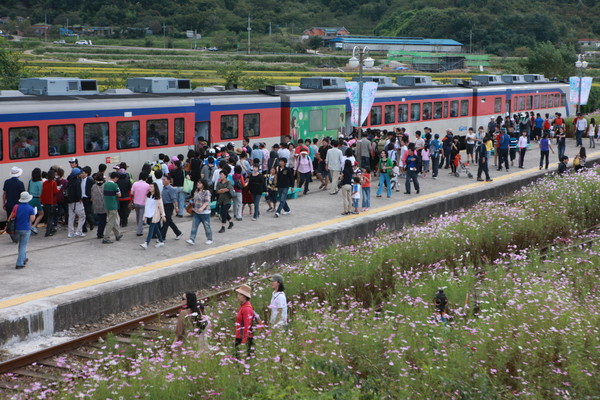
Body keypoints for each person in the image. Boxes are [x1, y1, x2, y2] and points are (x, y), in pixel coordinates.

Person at [11, 192, 35, 269]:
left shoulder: (16, 207)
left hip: (17, 228)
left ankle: (24, 258)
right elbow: (32, 219)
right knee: (23, 246)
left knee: (20, 245)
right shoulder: (30, 208)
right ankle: (19, 263)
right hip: (26, 228)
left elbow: (12, 216)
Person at [140, 182, 166, 249]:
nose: (150, 188)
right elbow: (146, 206)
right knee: (156, 228)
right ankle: (161, 241)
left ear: (155, 188)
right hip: (149, 214)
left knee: (151, 229)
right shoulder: (148, 195)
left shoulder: (158, 197)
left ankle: (146, 243)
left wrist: (163, 215)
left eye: (151, 187)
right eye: (149, 186)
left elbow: (161, 206)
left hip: (155, 215)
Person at [187, 179, 213, 245]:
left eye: (200, 183)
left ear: (203, 185)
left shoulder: (206, 192)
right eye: (198, 182)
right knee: (194, 226)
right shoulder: (196, 191)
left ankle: (209, 239)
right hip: (196, 212)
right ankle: (192, 239)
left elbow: (207, 202)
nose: (198, 184)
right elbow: (194, 200)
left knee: (207, 226)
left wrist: (202, 208)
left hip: (205, 213)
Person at [3, 166, 25, 242]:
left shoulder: (6, 182)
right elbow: (22, 196)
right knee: (18, 221)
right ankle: (17, 236)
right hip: (17, 206)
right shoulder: (20, 183)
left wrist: (4, 203)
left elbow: (4, 194)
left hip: (9, 205)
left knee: (10, 221)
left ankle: (12, 236)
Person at [234, 284, 255, 358]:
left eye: (239, 294)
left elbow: (247, 325)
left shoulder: (246, 309)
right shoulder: (243, 307)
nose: (238, 296)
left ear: (244, 296)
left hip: (243, 337)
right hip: (240, 336)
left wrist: (243, 341)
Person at [160, 175, 183, 240]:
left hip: (169, 206)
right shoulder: (163, 188)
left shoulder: (171, 189)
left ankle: (162, 237)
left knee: (166, 222)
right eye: (162, 179)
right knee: (169, 221)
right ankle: (178, 233)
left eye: (164, 180)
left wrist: (176, 207)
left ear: (168, 180)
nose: (163, 181)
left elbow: (174, 199)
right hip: (164, 206)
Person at [102, 172, 123, 244]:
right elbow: (119, 195)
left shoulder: (105, 184)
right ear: (115, 178)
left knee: (112, 221)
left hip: (107, 205)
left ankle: (117, 234)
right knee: (110, 222)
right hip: (113, 205)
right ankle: (106, 237)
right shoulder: (115, 185)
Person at [65, 168, 86, 238]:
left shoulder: (69, 181)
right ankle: (79, 231)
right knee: (82, 216)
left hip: (69, 202)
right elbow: (78, 192)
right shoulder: (77, 182)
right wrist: (80, 199)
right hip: (76, 202)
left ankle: (70, 233)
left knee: (71, 217)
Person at [40, 169, 60, 237]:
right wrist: (58, 189)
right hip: (51, 202)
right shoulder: (53, 183)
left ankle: (49, 229)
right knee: (50, 217)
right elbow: (55, 192)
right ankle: (48, 231)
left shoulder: (44, 183)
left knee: (48, 216)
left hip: (45, 202)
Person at [130, 172, 149, 237]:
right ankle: (139, 231)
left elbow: (132, 193)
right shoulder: (147, 185)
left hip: (135, 202)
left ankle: (139, 228)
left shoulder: (135, 184)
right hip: (143, 203)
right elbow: (148, 194)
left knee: (138, 216)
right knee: (141, 217)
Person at [216, 169, 234, 233]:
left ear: (225, 176)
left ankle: (223, 227)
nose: (220, 176)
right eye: (220, 175)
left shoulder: (228, 182)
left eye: (222, 175)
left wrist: (222, 190)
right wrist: (223, 190)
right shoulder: (218, 183)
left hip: (227, 200)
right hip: (221, 200)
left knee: (223, 213)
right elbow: (217, 191)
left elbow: (227, 189)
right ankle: (231, 222)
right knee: (224, 212)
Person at [90, 173, 107, 240]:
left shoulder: (93, 186)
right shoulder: (105, 186)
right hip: (103, 205)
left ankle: (99, 232)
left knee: (100, 219)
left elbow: (92, 196)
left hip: (95, 205)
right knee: (103, 220)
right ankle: (100, 233)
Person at [27, 168, 43, 234]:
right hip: (36, 199)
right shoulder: (40, 183)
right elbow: (40, 193)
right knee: (41, 214)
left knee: (30, 214)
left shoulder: (30, 181)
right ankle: (34, 226)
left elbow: (28, 190)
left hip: (30, 198)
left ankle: (29, 228)